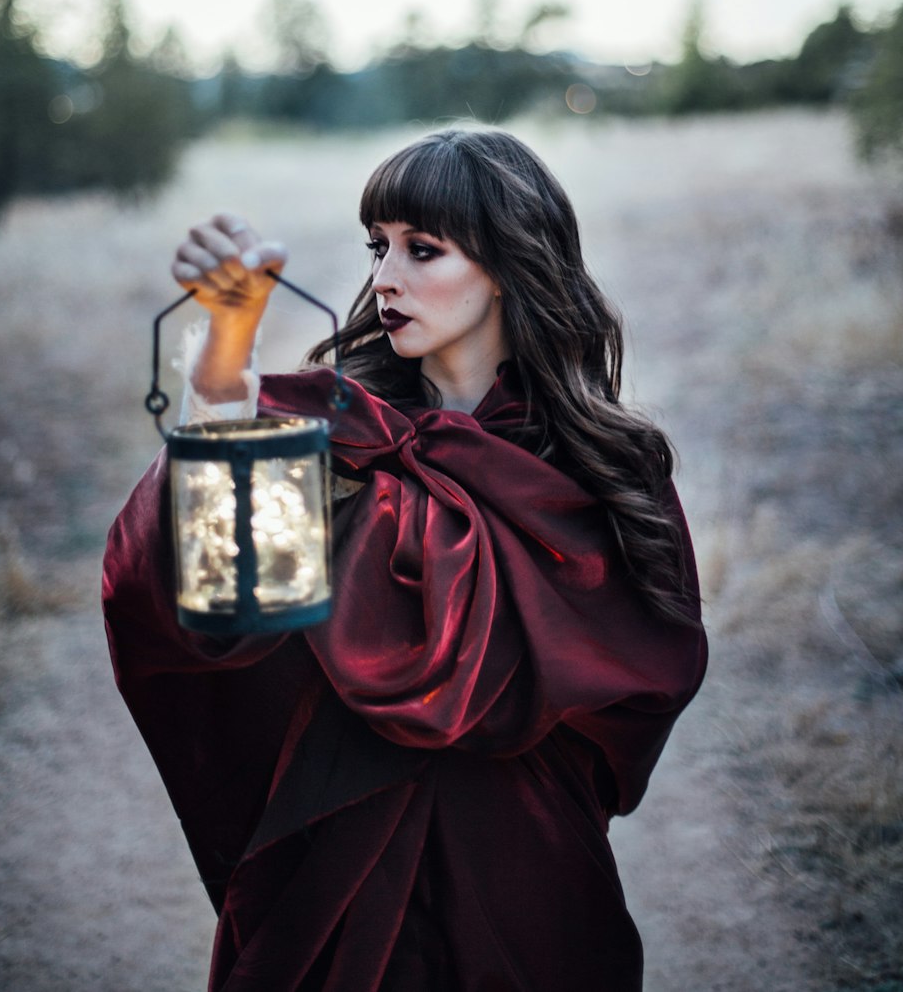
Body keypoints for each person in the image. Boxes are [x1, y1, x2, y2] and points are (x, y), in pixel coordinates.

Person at [103, 127, 707, 992]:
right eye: (377, 248)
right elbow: (229, 597)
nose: (385, 278)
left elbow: (649, 676)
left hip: (523, 870)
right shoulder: (339, 435)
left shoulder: (601, 464)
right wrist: (229, 345)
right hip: (333, 855)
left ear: (510, 262)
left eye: (423, 250)